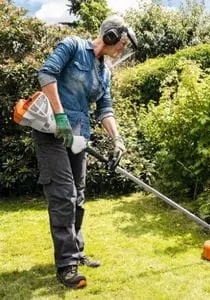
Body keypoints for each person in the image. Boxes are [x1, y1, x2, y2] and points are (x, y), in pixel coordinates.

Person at [32, 15, 137, 289]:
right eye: (122, 43)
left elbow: (105, 108)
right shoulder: (73, 46)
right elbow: (46, 74)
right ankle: (66, 265)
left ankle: (76, 252)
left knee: (78, 195)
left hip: (79, 137)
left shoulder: (105, 71)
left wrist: (117, 140)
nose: (122, 49)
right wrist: (61, 117)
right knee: (63, 194)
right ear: (110, 36)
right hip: (52, 132)